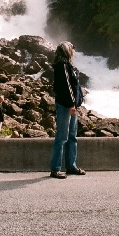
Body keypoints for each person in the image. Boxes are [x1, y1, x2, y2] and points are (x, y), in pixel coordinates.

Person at [50, 41, 86, 179]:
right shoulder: (62, 65)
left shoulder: (66, 65)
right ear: (67, 51)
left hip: (71, 106)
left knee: (72, 136)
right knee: (62, 137)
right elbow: (67, 86)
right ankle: (55, 168)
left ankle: (71, 166)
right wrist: (72, 104)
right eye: (72, 49)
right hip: (66, 106)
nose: (74, 51)